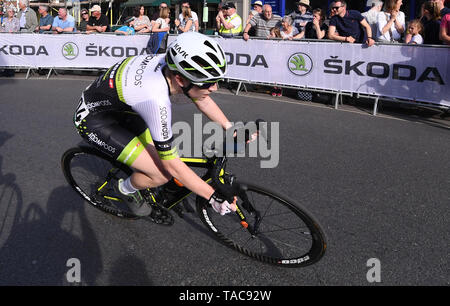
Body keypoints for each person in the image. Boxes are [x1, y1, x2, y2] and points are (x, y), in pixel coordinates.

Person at [73, 32, 237, 217]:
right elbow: (172, 165)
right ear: (180, 80)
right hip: (95, 120)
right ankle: (125, 189)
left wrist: (231, 127)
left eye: (216, 81)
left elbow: (201, 98)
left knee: (165, 150)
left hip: (122, 106)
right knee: (161, 174)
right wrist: (212, 196)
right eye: (207, 83)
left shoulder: (170, 64)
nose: (214, 88)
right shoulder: (155, 99)